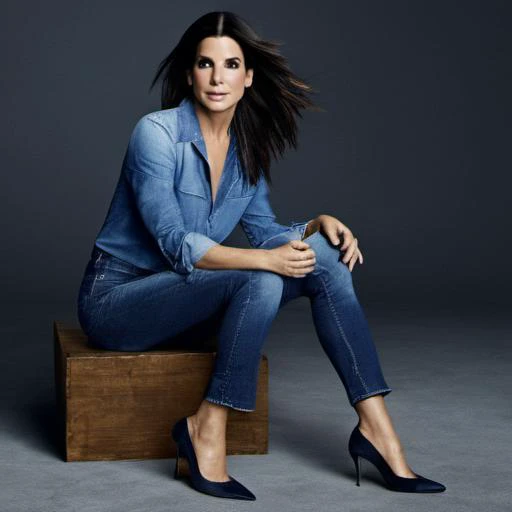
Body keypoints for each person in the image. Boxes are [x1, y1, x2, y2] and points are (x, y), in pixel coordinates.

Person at [76, 11, 446, 501]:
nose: (217, 78)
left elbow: (267, 233)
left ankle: (376, 427)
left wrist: (316, 226)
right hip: (118, 304)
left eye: (231, 65)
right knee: (262, 277)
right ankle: (209, 425)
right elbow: (175, 242)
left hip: (190, 300)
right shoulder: (156, 134)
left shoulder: (246, 151)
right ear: (189, 72)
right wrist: (266, 262)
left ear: (248, 77)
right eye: (206, 65)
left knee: (327, 259)